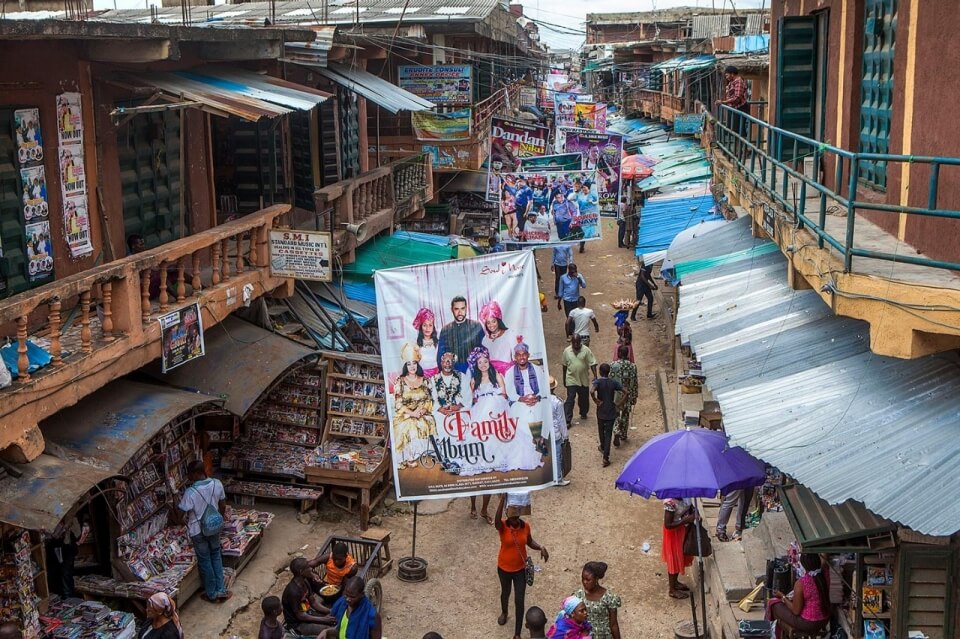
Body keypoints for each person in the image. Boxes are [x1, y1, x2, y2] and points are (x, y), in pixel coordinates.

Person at [173, 460, 230, 603]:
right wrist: (218, 521)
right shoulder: (217, 484)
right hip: (214, 527)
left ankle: (211, 594)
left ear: (196, 473)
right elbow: (222, 506)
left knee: (205, 560)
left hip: (197, 531)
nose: (188, 477)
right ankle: (221, 589)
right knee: (216, 555)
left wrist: (173, 502)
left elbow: (179, 514)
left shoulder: (190, 492)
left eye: (189, 474)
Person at [495, 494, 549, 639]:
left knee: (519, 600)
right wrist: (502, 501)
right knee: (505, 593)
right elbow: (496, 522)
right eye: (512, 516)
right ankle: (504, 612)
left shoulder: (525, 526)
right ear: (507, 513)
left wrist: (540, 547)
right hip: (504, 568)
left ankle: (517, 633)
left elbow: (529, 542)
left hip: (520, 569)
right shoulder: (503, 527)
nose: (514, 519)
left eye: (516, 516)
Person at [502, 337, 548, 472]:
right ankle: (533, 443)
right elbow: (510, 392)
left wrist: (536, 397)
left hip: (536, 399)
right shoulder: (510, 373)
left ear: (528, 355)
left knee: (539, 410)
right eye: (519, 355)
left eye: (524, 354)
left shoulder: (537, 369)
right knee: (522, 413)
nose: (522, 357)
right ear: (515, 357)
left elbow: (544, 388)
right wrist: (523, 399)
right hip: (519, 401)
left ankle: (539, 440)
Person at [393, 343, 437, 468]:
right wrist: (412, 413)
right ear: (405, 366)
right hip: (405, 414)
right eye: (409, 364)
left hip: (422, 413)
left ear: (418, 364)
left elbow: (430, 400)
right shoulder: (399, 381)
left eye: (414, 363)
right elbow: (398, 403)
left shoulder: (425, 380)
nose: (412, 366)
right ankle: (408, 457)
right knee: (409, 425)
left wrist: (422, 411)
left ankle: (423, 453)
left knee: (425, 422)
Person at [767, 553, 830, 639]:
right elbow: (824, 559)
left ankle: (781, 634)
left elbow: (796, 611)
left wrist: (782, 596)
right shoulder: (824, 574)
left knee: (774, 605)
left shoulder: (802, 583)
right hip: (824, 620)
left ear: (803, 566)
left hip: (809, 623)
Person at [282, 557, 334, 636]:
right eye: (308, 567)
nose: (310, 568)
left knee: (333, 618)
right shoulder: (293, 592)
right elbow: (300, 616)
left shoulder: (305, 581)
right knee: (328, 629)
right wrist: (323, 619)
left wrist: (330, 611)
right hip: (298, 624)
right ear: (301, 571)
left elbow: (313, 602)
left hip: (308, 613)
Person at [573, 562, 621, 639]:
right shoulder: (578, 595)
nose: (584, 582)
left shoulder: (609, 598)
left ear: (596, 579)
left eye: (588, 580)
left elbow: (613, 624)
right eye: (583, 579)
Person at [438, 296, 485, 373]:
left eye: (462, 308)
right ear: (452, 310)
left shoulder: (476, 326)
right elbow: (441, 355)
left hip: (475, 371)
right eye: (456, 309)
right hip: (453, 372)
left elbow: (484, 350)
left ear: (466, 308)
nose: (460, 312)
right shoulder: (445, 330)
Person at [591, 364, 625, 467]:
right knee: (609, 433)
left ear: (600, 372)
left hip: (601, 410)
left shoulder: (598, 382)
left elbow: (592, 391)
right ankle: (606, 457)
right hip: (611, 409)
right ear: (609, 372)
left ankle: (602, 446)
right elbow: (626, 392)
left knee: (601, 429)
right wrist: (619, 403)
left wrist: (596, 400)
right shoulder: (613, 382)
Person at [662, 498, 696, 599]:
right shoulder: (670, 503)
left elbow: (690, 507)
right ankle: (672, 590)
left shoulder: (686, 496)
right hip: (673, 534)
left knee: (680, 556)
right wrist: (685, 520)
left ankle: (675, 582)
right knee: (674, 559)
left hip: (683, 530)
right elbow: (668, 525)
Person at [561, 334, 597, 428]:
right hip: (571, 378)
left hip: (583, 378)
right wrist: (564, 378)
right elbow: (564, 366)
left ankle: (583, 412)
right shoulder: (567, 351)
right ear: (571, 342)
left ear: (580, 341)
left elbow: (592, 363)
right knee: (570, 399)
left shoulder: (586, 350)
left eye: (578, 342)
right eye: (574, 342)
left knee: (583, 398)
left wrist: (595, 376)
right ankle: (567, 420)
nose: (576, 344)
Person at [609, 345, 638, 448]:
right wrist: (634, 396)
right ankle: (623, 434)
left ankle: (616, 430)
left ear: (619, 354)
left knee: (616, 413)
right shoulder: (633, 366)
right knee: (625, 414)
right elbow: (635, 382)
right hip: (628, 394)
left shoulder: (613, 365)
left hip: (617, 395)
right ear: (628, 354)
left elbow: (610, 380)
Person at [480, 301, 516, 375]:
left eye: (493, 321)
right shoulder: (484, 340)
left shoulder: (509, 334)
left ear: (498, 321)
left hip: (507, 373)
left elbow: (515, 356)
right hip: (491, 374)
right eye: (488, 323)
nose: (491, 325)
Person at [548, 376, 570, 487]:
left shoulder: (539, 400)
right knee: (557, 456)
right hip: (555, 432)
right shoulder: (557, 402)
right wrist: (565, 435)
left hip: (544, 433)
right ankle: (557, 478)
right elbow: (561, 420)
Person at [413, 308, 439, 377]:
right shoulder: (416, 343)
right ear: (421, 327)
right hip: (421, 375)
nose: (428, 328)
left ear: (433, 326)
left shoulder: (438, 342)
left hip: (437, 375)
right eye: (425, 325)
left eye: (430, 325)